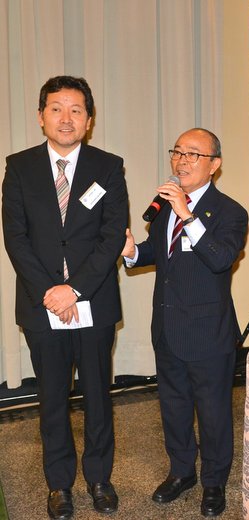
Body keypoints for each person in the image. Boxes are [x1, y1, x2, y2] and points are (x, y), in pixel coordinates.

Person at [2, 76, 128, 519]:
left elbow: (112, 236)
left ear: (89, 120)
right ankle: (59, 484)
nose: (66, 118)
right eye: (56, 108)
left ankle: (99, 478)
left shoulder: (108, 167)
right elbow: (16, 238)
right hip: (42, 307)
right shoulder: (19, 167)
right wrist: (51, 292)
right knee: (52, 399)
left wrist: (74, 289)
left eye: (76, 109)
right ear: (41, 117)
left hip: (94, 302)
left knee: (98, 396)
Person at [121, 128, 248, 517]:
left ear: (214, 165)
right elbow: (162, 253)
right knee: (173, 408)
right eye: (178, 152)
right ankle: (181, 472)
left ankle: (214, 482)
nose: (182, 160)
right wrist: (132, 252)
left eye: (194, 154)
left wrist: (188, 215)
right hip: (167, 327)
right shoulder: (165, 207)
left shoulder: (230, 212)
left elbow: (220, 258)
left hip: (208, 333)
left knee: (213, 413)